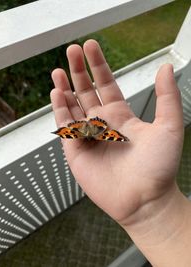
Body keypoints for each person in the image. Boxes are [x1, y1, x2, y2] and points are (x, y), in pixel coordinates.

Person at [50, 39, 191, 266]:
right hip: (95, 129)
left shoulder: (91, 134)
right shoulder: (96, 135)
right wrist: (158, 207)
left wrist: (157, 205)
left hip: (94, 129)